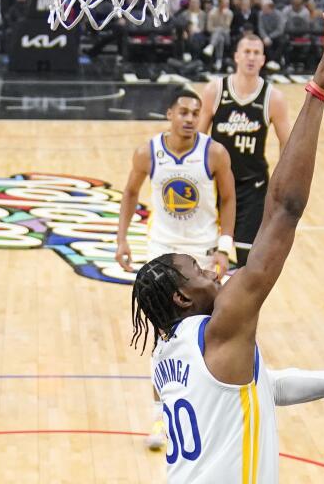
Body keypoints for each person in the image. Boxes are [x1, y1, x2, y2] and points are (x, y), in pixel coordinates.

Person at [131, 9, 324, 483]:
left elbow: (265, 387)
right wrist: (317, 93)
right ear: (181, 297)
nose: (212, 271)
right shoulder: (222, 327)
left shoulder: (167, 356)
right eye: (197, 270)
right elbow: (285, 210)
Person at [115, 86, 236, 450]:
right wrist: (122, 239)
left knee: (214, 333)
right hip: (163, 252)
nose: (189, 118)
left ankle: (210, 407)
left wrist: (224, 247)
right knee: (164, 339)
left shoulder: (214, 153)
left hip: (201, 254)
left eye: (195, 113)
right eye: (183, 111)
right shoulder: (147, 152)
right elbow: (130, 193)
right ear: (169, 114)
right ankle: (160, 414)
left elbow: (229, 198)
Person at [198, 33, 291, 266]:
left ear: (263, 59)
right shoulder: (215, 91)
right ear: (236, 56)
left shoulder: (273, 97)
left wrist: (282, 182)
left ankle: (241, 303)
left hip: (253, 186)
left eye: (256, 53)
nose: (251, 57)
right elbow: (198, 139)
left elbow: (287, 144)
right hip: (216, 183)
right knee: (207, 254)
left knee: (248, 259)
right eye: (247, 52)